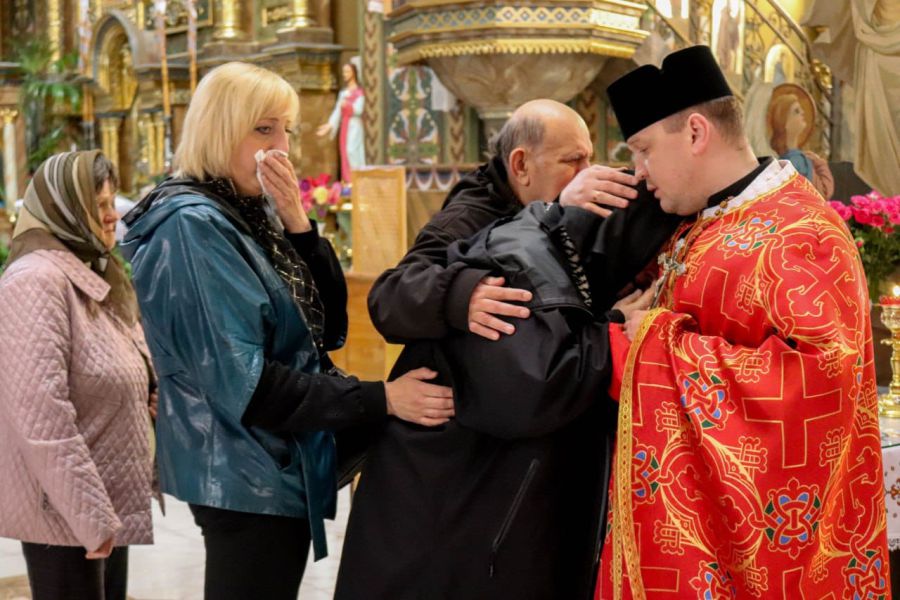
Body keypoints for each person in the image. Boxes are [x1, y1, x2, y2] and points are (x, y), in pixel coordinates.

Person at [120, 62, 453, 600]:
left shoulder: (247, 213)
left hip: (272, 460)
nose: (281, 148)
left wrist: (298, 224)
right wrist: (382, 399)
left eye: (286, 130)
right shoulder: (193, 225)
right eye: (263, 129)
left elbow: (329, 329)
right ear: (220, 130)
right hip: (242, 468)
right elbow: (247, 385)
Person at [335, 99, 682, 599]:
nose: (587, 173)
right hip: (446, 468)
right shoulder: (475, 212)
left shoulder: (553, 214)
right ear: (521, 165)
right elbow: (390, 296)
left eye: (589, 158)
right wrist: (462, 294)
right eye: (572, 161)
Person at [596, 45, 889, 599]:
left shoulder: (802, 231)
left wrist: (655, 340)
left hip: (773, 556)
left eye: (643, 150)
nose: (639, 171)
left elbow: (820, 381)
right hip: (698, 524)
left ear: (696, 132)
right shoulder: (702, 222)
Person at [0, 151, 155, 600]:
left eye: (112, 202)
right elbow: (42, 416)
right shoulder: (35, 281)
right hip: (65, 509)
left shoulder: (89, 270)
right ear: (64, 209)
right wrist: (88, 514)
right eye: (98, 205)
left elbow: (126, 366)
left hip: (104, 496)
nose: (112, 216)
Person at [766, 84, 834, 199]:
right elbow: (823, 192)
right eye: (796, 111)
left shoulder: (800, 158)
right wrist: (820, 164)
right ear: (784, 123)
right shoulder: (794, 161)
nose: (803, 112)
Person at [317, 62, 365, 183]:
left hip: (354, 125)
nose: (345, 74)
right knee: (345, 153)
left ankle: (358, 179)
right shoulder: (343, 93)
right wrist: (329, 125)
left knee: (352, 151)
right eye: (343, 72)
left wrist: (348, 105)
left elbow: (359, 109)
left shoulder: (360, 92)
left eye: (347, 71)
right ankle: (349, 181)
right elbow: (337, 112)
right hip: (345, 126)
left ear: (354, 73)